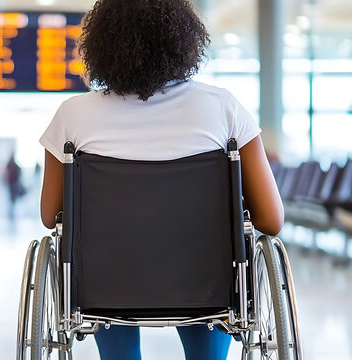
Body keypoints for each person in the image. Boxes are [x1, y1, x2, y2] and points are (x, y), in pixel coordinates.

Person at [38, 0, 284, 359]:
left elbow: (50, 216)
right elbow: (272, 221)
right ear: (183, 41)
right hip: (205, 283)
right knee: (215, 260)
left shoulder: (73, 115)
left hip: (106, 286)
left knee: (103, 276)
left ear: (103, 44)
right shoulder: (224, 108)